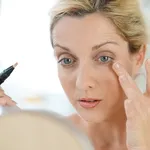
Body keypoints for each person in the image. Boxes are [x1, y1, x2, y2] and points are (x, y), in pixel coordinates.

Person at [1, 0, 150, 150]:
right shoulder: (48, 141)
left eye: (104, 58)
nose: (82, 83)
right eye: (67, 60)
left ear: (138, 57)